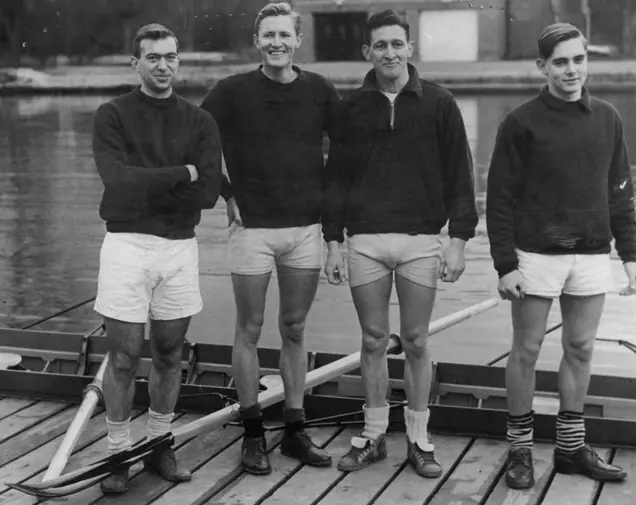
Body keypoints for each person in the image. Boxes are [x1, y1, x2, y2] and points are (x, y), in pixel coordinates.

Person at [485, 22, 636, 490]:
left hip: (592, 255)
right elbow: (499, 198)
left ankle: (571, 450)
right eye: (560, 62)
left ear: (586, 61)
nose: (571, 70)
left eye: (578, 59)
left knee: (580, 349)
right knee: (527, 350)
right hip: (535, 256)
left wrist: (630, 254)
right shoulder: (520, 122)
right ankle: (520, 451)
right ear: (543, 67)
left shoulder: (608, 117)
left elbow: (621, 191)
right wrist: (505, 264)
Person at [322, 10, 478, 479]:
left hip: (421, 242)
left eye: (397, 44)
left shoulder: (439, 103)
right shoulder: (350, 108)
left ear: (410, 48)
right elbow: (336, 180)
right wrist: (332, 241)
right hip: (364, 241)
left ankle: (418, 438)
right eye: (380, 45)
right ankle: (373, 436)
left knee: (415, 340)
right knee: (372, 340)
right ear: (367, 53)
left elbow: (461, 177)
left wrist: (459, 241)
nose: (390, 52)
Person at [199, 2, 338, 475]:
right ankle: (254, 432)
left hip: (304, 230)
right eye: (268, 35)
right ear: (257, 41)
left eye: (284, 34)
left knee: (295, 328)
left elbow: (346, 151)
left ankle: (295, 430)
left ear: (298, 40)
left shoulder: (319, 90)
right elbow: (196, 139)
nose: (277, 42)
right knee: (250, 330)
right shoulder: (231, 91)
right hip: (251, 230)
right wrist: (225, 191)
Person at [91, 23, 222, 494]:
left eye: (170, 57)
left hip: (178, 248)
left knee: (168, 352)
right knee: (124, 357)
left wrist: (154, 181)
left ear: (178, 61)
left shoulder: (200, 121)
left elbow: (207, 193)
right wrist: (180, 174)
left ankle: (158, 444)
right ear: (136, 63)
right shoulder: (112, 114)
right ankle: (118, 453)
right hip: (126, 246)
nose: (163, 65)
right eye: (152, 58)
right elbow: (116, 180)